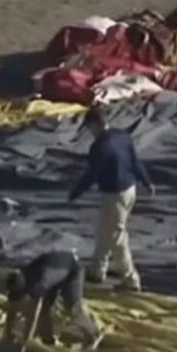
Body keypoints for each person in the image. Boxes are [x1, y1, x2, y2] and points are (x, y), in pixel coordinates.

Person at [67, 105, 154, 291]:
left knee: (116, 236)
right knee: (104, 229)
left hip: (114, 194)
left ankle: (130, 279)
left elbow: (92, 175)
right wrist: (147, 182)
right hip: (130, 190)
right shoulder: (122, 136)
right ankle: (97, 269)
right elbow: (134, 161)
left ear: (94, 124)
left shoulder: (99, 147)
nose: (89, 132)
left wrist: (76, 192)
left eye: (89, 127)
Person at [4, 250, 104, 352]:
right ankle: (48, 339)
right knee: (45, 310)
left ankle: (94, 334)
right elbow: (12, 308)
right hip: (53, 274)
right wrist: (7, 335)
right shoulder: (21, 276)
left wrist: (26, 342)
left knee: (73, 309)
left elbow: (34, 315)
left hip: (71, 270)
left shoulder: (37, 284)